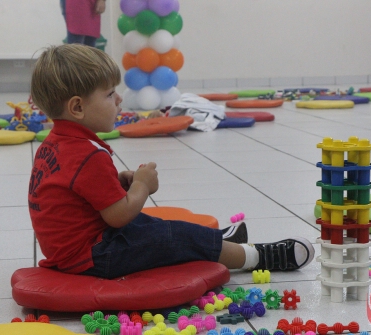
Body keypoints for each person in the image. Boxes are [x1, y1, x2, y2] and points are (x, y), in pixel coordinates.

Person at [28, 44, 315, 279]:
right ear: (77, 107)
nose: (118, 100)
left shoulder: (55, 144)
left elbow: (75, 194)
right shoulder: (86, 154)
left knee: (153, 226)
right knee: (169, 235)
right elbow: (118, 216)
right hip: (94, 258)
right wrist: (141, 186)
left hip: (72, 251)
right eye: (109, 94)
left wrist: (118, 181)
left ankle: (214, 239)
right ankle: (260, 257)